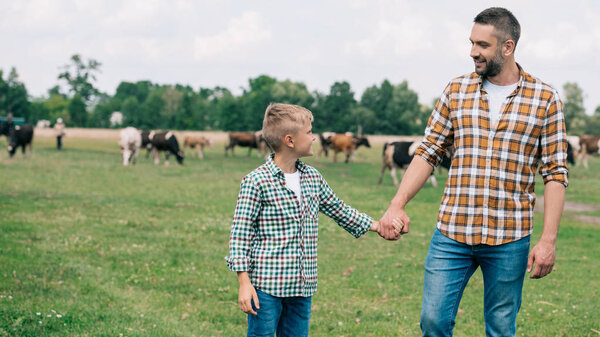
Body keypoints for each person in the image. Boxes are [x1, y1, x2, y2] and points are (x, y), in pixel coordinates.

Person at [378, 7, 568, 337]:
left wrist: (548, 240)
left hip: (510, 237)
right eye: (471, 43)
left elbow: (555, 173)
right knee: (433, 321)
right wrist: (397, 203)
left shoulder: (545, 98)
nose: (472, 52)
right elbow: (428, 151)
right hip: (452, 232)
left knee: (500, 328)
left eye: (482, 45)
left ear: (507, 47)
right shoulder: (456, 91)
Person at [226, 103, 400, 337]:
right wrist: (244, 283)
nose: (314, 138)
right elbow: (240, 235)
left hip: (301, 287)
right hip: (265, 288)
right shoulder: (256, 181)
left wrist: (377, 225)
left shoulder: (312, 177)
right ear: (290, 140)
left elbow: (339, 209)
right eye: (309, 132)